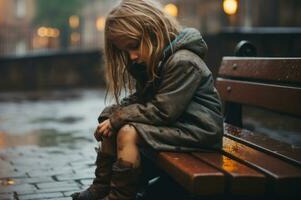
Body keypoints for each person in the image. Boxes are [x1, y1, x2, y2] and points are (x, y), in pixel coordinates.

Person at [72, 0, 223, 199]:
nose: (132, 56)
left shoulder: (182, 61)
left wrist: (119, 118)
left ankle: (120, 195)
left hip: (199, 130)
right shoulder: (158, 60)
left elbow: (163, 110)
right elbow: (143, 99)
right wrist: (112, 114)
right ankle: (102, 186)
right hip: (179, 126)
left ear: (153, 29)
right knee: (113, 125)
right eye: (126, 51)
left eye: (134, 46)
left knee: (127, 131)